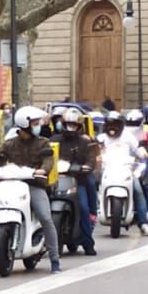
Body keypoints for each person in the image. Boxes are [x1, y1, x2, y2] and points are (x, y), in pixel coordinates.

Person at [0, 105, 62, 272]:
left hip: (34, 185)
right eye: (35, 123)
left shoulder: (43, 142)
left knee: (45, 217)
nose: (38, 125)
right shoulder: (9, 144)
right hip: (11, 185)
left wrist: (43, 170)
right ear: (25, 125)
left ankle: (55, 260)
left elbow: (48, 159)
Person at [98, 111, 148, 237]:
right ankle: (93, 215)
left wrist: (144, 154)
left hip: (125, 169)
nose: (112, 128)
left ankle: (143, 223)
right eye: (110, 124)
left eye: (115, 124)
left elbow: (137, 148)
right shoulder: (102, 138)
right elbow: (96, 150)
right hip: (108, 169)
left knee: (138, 191)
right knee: (95, 186)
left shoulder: (128, 136)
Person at [55, 107, 98, 256]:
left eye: (74, 125)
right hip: (56, 181)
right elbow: (45, 156)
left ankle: (88, 243)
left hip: (77, 180)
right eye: (68, 124)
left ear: (79, 126)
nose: (70, 128)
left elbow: (92, 159)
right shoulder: (54, 140)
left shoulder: (85, 142)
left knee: (84, 208)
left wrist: (86, 166)